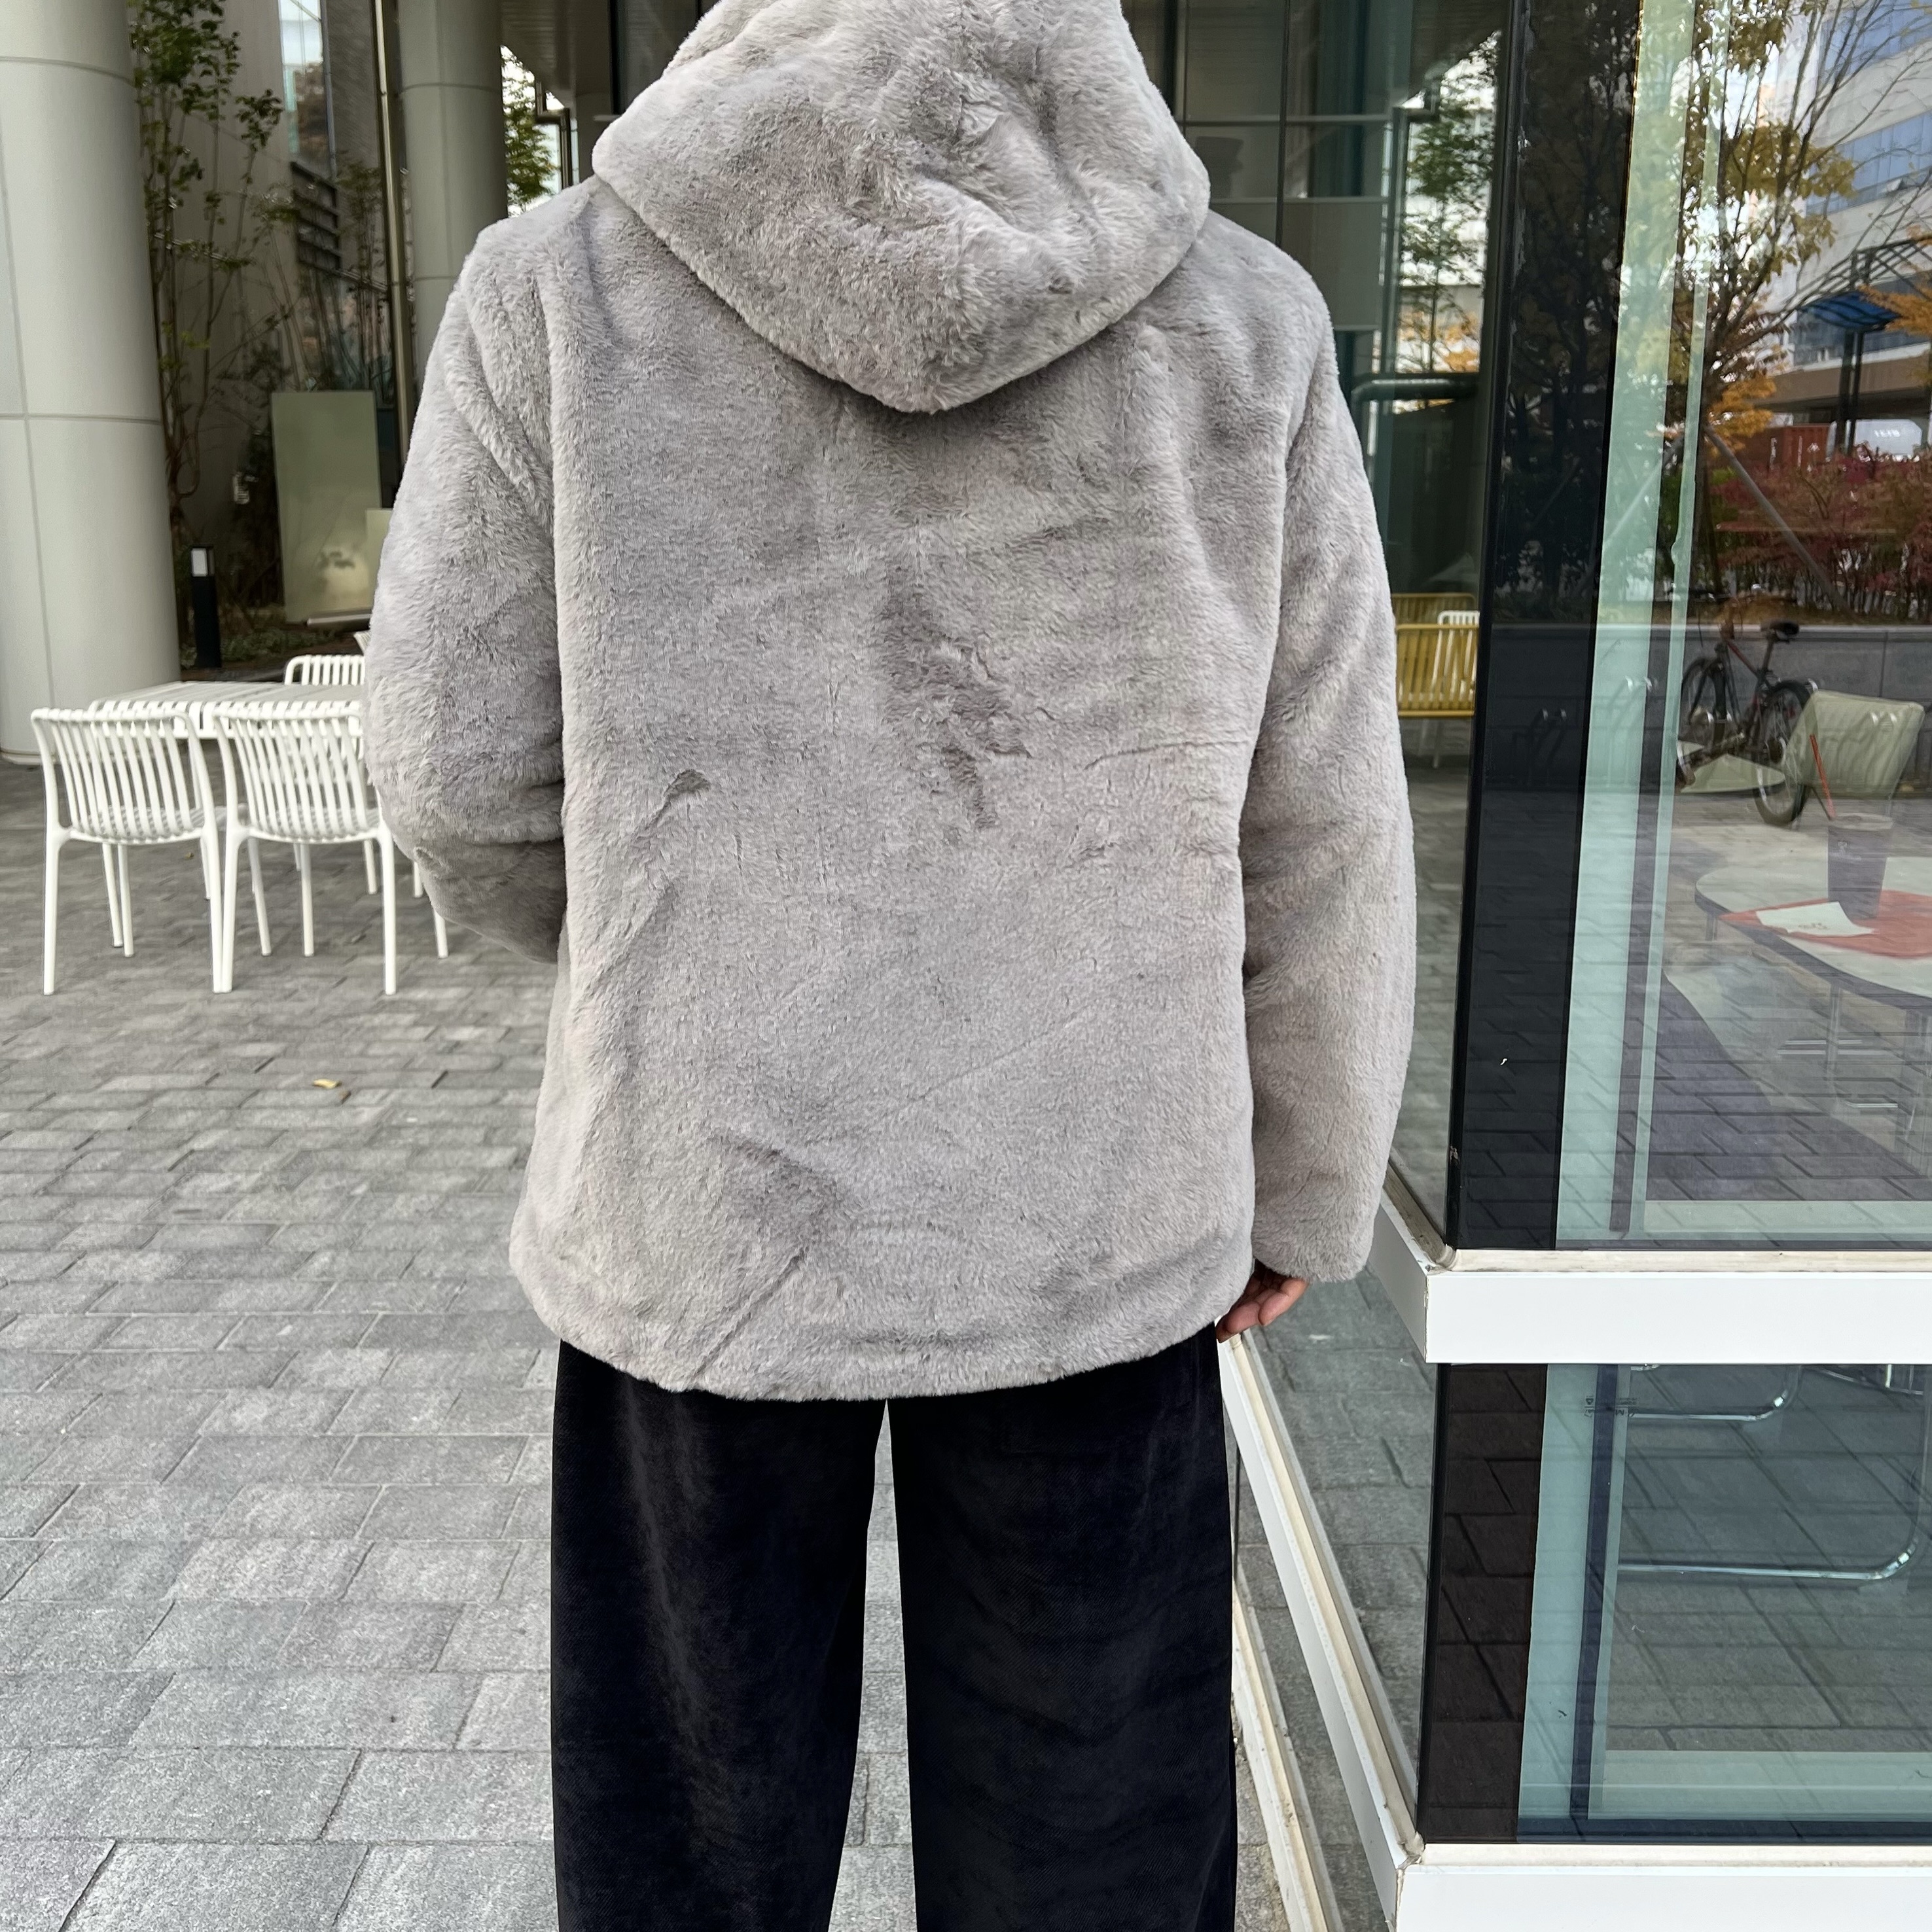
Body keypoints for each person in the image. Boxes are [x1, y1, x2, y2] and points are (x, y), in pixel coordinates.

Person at [363, 0, 1414, 1925]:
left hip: (708, 1194)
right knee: (1093, 1828)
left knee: (691, 1832)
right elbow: (1323, 814)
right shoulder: (1248, 322)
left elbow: (453, 769)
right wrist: (1306, 1178)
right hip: (1100, 1195)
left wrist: (667, 968)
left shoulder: (556, 290)